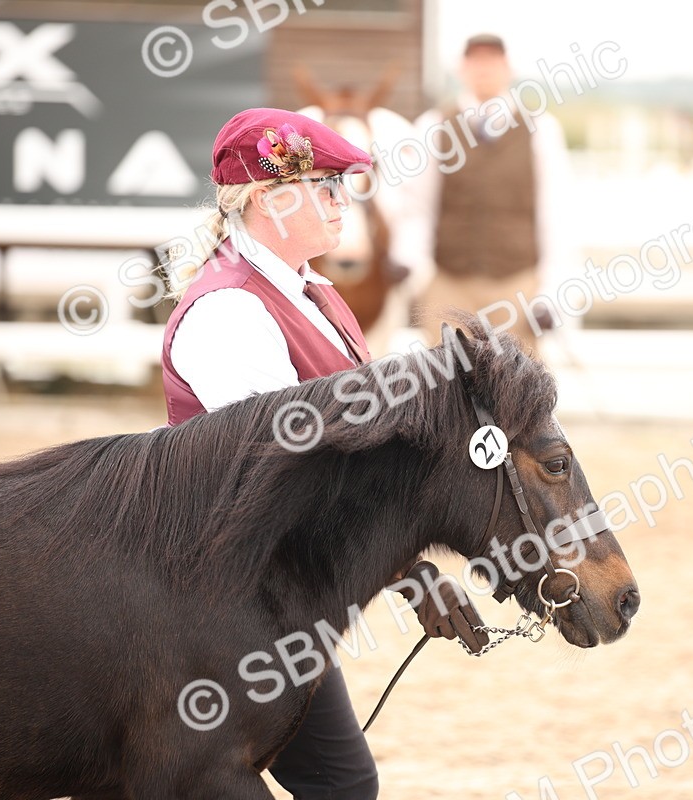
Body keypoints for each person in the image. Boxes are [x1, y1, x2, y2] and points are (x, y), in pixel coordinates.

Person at [158, 108, 488, 799]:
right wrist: (408, 565)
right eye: (326, 187)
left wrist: (409, 570)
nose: (343, 202)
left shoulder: (312, 294)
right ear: (264, 199)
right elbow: (294, 472)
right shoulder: (230, 313)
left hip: (279, 597)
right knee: (341, 785)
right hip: (228, 608)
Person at [408, 33, 575, 352]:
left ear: (507, 68)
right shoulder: (432, 126)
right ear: (462, 69)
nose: (484, 70)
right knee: (444, 385)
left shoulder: (541, 129)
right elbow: (418, 206)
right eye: (476, 62)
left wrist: (553, 290)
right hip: (448, 282)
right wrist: (419, 276)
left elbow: (555, 211)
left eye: (492, 62)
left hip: (518, 282)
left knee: (516, 387)